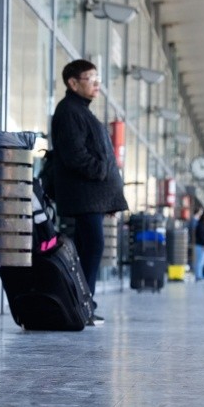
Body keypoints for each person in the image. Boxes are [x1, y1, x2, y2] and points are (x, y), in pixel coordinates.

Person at [50, 59, 128, 324]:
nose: (97, 83)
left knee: (88, 246)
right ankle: (83, 304)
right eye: (90, 78)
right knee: (93, 245)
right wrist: (101, 171)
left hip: (91, 195)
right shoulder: (69, 111)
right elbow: (75, 154)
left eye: (98, 78)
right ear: (73, 83)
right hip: (85, 194)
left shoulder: (79, 109)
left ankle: (84, 303)